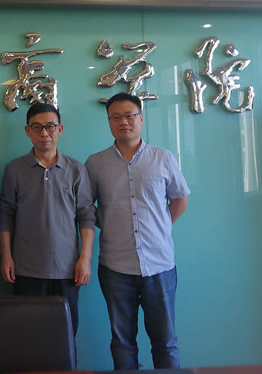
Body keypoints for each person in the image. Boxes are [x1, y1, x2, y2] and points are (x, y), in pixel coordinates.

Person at [85, 92, 190, 370]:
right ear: (109, 122)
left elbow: (179, 201)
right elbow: (85, 207)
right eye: (116, 117)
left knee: (166, 341)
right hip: (115, 266)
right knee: (122, 342)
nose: (124, 122)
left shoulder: (163, 158)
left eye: (129, 116)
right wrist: (110, 223)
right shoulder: (95, 163)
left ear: (141, 119)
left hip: (160, 265)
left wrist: (159, 227)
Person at [0, 102, 95, 338]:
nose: (44, 133)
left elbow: (86, 215)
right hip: (26, 268)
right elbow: (6, 214)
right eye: (37, 127)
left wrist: (85, 258)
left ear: (60, 129)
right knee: (28, 335)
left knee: (65, 334)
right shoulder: (14, 169)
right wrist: (6, 256)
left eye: (50, 126)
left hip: (67, 269)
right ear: (27, 131)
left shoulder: (76, 169)